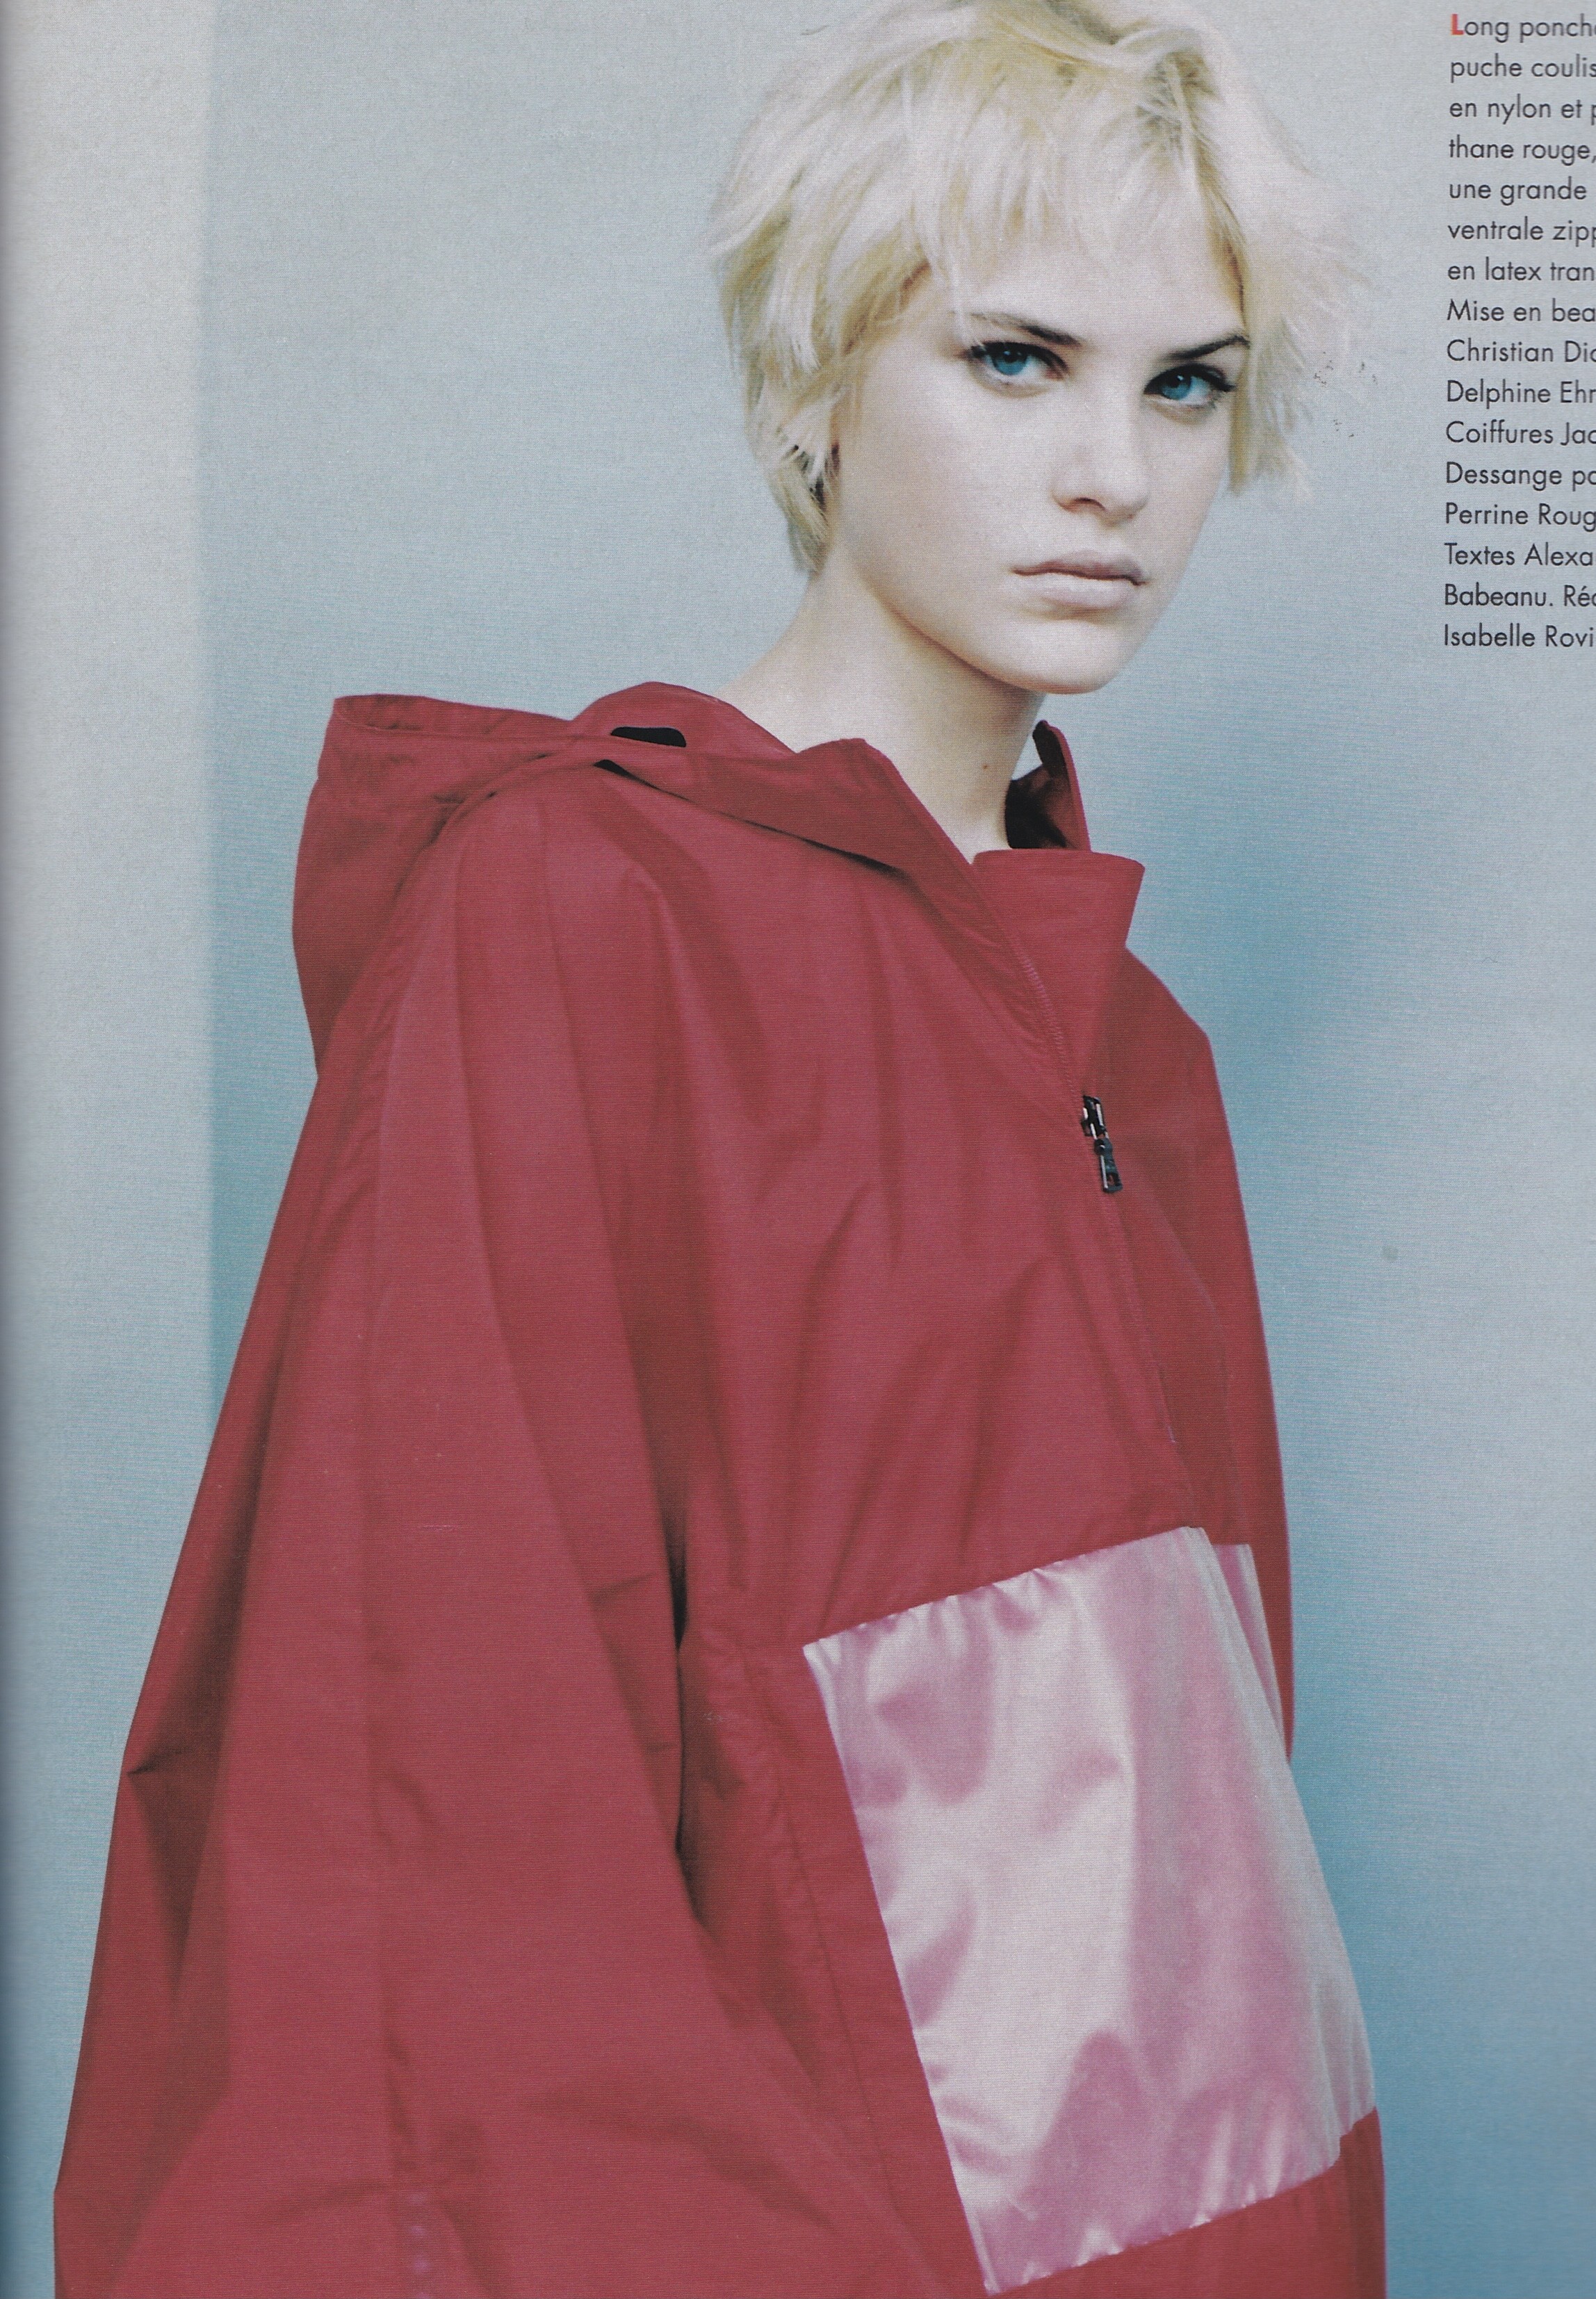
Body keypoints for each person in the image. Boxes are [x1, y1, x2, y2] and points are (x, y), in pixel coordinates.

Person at [56, 2, 1381, 2293]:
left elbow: (1190, 1857)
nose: (1115, 473)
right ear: (814, 381)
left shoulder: (1135, 1046)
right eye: (1014, 359)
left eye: (1189, 385)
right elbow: (430, 1797)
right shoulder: (578, 913)